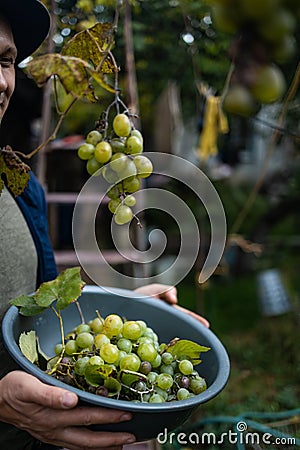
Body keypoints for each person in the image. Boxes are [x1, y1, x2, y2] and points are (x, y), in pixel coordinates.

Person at [0, 1, 209, 449]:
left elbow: (41, 308)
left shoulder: (19, 186)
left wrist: (124, 308)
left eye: (4, 60)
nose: (1, 81)